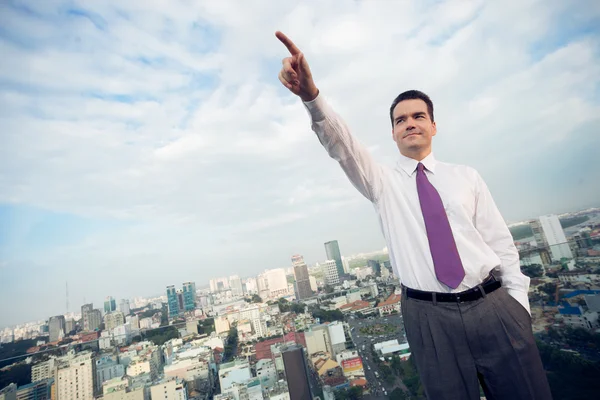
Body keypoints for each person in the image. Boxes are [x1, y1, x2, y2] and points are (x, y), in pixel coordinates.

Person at [275, 31, 553, 400]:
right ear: (393, 133)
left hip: (494, 308)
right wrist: (312, 98)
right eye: (400, 119)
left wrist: (517, 305)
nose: (410, 123)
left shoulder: (466, 177)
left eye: (419, 115)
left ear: (433, 126)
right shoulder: (382, 183)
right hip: (428, 319)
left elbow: (501, 244)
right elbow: (342, 147)